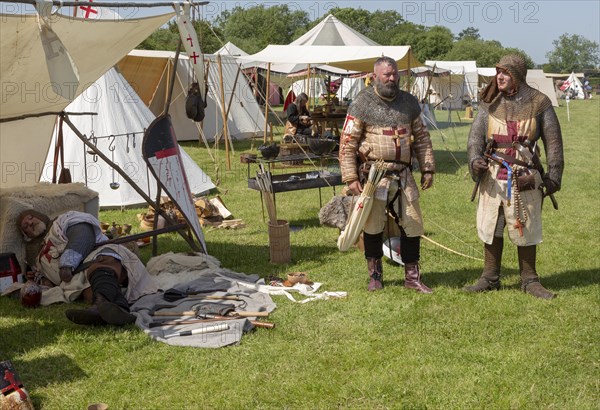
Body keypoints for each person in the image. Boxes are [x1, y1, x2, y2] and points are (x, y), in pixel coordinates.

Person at [465, 54, 564, 299]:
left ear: (517, 76)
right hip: (493, 174)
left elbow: (554, 143)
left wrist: (554, 176)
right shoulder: (490, 103)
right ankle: (489, 277)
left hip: (525, 175)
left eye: (505, 73)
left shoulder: (539, 103)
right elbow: (475, 138)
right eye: (498, 71)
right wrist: (474, 160)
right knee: (491, 225)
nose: (499, 76)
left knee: (526, 226)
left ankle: (530, 280)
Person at [339, 56, 436, 292]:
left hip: (403, 175)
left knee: (413, 224)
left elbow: (422, 138)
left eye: (394, 74)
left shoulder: (409, 103)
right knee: (373, 226)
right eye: (387, 75)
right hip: (375, 175)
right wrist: (351, 178)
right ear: (375, 76)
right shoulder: (362, 103)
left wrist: (428, 167)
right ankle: (375, 276)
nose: (392, 78)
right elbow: (347, 142)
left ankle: (412, 277)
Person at [18, 210, 157, 325]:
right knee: (90, 292)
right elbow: (50, 281)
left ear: (40, 215)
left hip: (100, 258)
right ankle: (112, 311)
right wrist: (38, 280)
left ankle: (102, 305)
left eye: (31, 218)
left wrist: (68, 262)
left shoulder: (61, 222)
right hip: (78, 281)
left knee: (102, 265)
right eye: (26, 227)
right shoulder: (39, 257)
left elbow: (83, 232)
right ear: (27, 236)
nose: (30, 223)